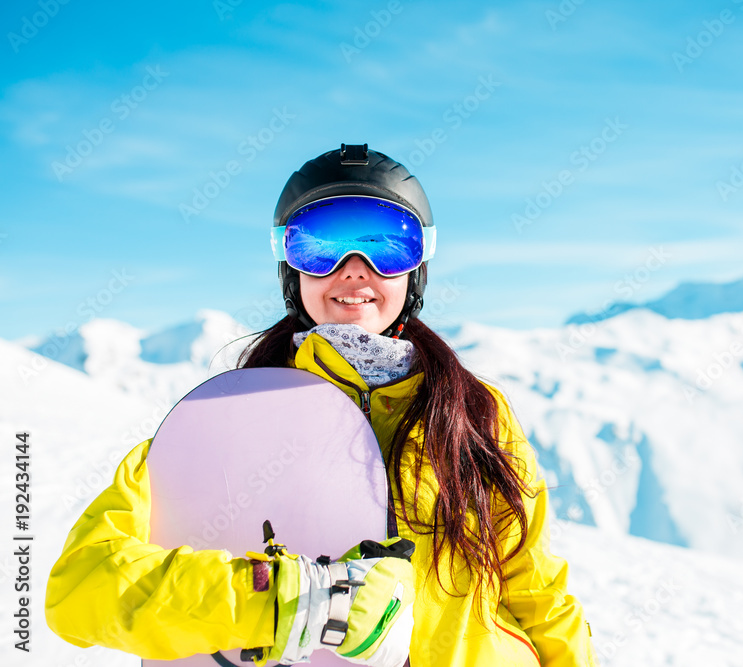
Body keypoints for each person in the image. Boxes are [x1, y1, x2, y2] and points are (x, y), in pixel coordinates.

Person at [45, 144, 598, 666]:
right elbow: (82, 586)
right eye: (320, 244)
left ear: (417, 269)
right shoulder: (229, 417)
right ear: (292, 269)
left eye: (387, 244)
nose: (355, 269)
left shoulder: (475, 411)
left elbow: (536, 591)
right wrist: (295, 601)